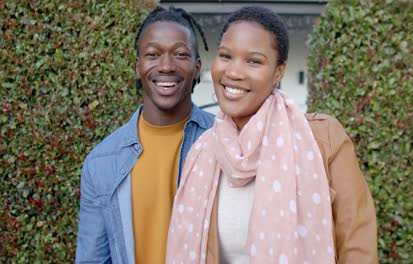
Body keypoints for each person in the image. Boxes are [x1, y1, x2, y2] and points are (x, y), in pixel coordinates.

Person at [166, 6, 378, 264]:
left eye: (254, 61)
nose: (233, 72)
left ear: (278, 72)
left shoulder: (322, 139)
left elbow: (358, 248)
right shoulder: (202, 153)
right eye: (226, 56)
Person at [75, 6, 214, 263]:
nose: (166, 65)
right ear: (138, 67)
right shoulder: (101, 162)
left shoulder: (225, 142)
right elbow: (93, 259)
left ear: (197, 68)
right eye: (153, 54)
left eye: (180, 54)